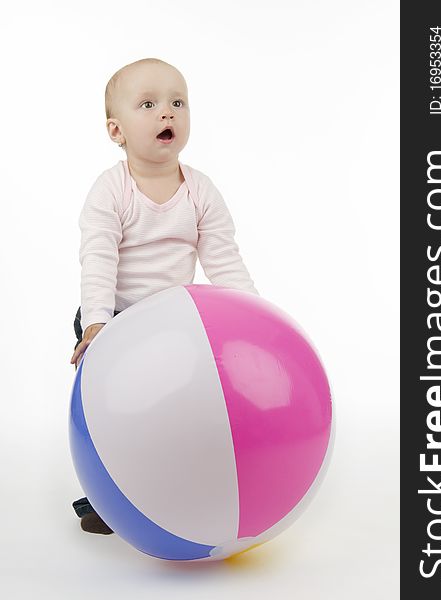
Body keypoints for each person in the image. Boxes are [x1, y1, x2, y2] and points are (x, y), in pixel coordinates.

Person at [70, 57, 260, 534]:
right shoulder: (111, 190)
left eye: (178, 102)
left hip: (178, 325)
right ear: (117, 130)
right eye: (149, 104)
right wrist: (96, 323)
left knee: (175, 412)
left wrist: (254, 315)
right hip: (117, 317)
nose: (167, 114)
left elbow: (224, 260)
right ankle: (108, 494)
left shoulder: (200, 190)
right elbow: (97, 259)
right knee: (118, 415)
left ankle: (180, 487)